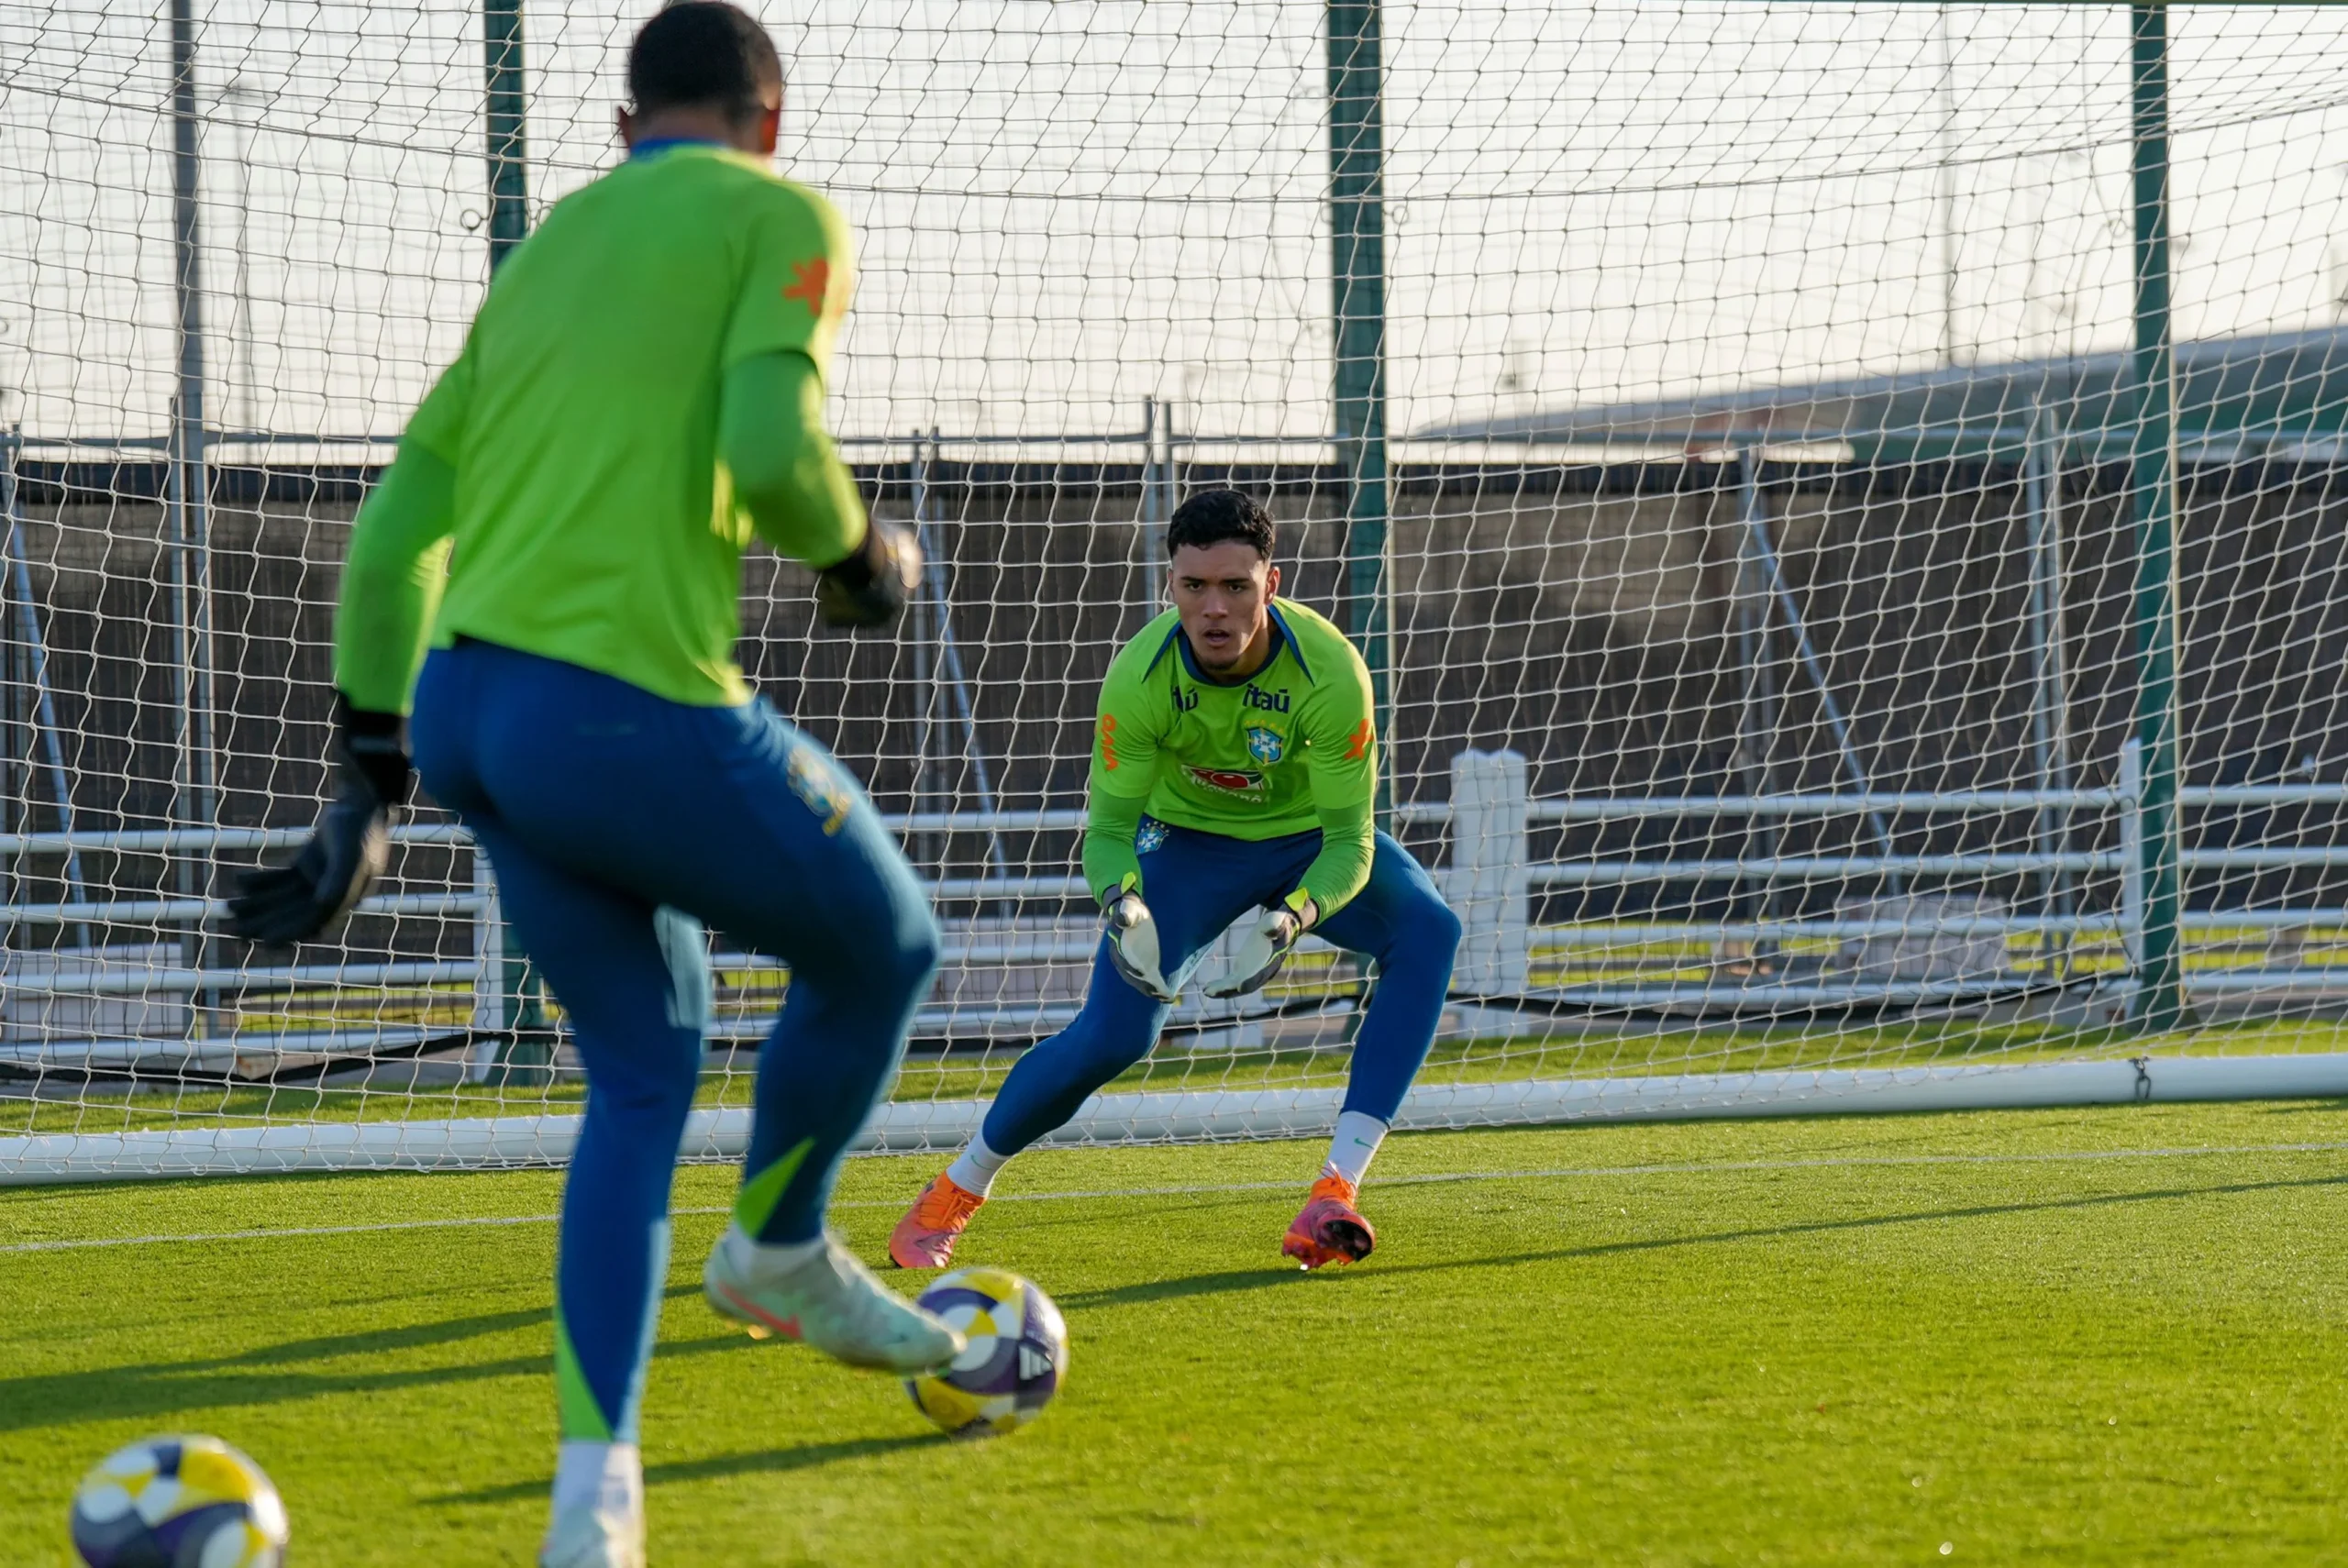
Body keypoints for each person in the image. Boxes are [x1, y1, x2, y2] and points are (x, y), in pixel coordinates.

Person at [223, 7, 961, 1564]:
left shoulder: (550, 251)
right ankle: (776, 1247)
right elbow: (774, 447)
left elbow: (393, 531)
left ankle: (593, 1514)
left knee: (640, 1076)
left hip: (467, 714)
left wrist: (367, 772)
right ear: (769, 120)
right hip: (621, 706)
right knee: (886, 948)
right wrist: (859, 555)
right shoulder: (780, 212)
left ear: (624, 132)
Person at [888, 489, 1462, 1273]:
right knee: (1117, 1036)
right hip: (1185, 847)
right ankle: (953, 1192)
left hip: (1303, 846)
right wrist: (1122, 902)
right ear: (1171, 588)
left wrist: (1294, 917)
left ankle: (1336, 1189)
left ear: (1274, 583)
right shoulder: (1140, 678)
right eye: (1194, 587)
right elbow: (1111, 834)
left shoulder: (1332, 676)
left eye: (1236, 586)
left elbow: (1351, 843)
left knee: (1430, 930)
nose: (1214, 609)